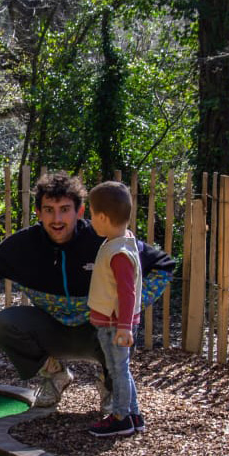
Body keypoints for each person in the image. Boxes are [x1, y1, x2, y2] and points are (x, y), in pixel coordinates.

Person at [0, 170, 175, 422]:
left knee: (123, 329)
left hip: (101, 331)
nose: (57, 218)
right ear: (38, 213)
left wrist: (127, 308)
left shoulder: (104, 240)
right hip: (53, 331)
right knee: (2, 324)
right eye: (49, 210)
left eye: (65, 209)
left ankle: (110, 384)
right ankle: (55, 374)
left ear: (80, 211)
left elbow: (163, 265)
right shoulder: (24, 246)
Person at [85, 181, 143, 438]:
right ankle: (133, 413)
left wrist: (124, 327)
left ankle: (120, 417)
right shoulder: (120, 240)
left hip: (114, 325)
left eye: (92, 214)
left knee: (117, 370)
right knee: (121, 368)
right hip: (111, 323)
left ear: (103, 217)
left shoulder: (119, 252)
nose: (90, 220)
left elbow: (127, 292)